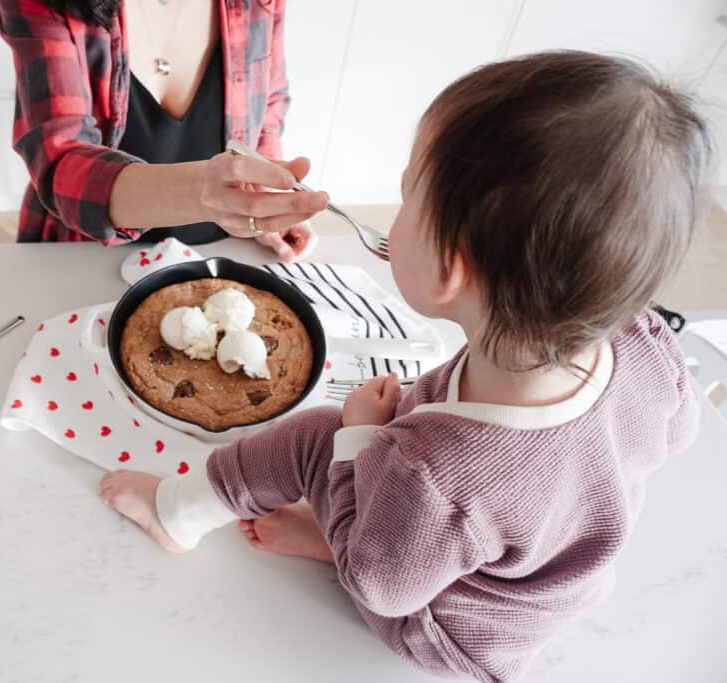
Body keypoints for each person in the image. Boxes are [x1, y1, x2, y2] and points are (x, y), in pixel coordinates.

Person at [98, 51, 711, 681]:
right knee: (387, 513)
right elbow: (675, 429)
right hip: (515, 588)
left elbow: (383, 585)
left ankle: (177, 512)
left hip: (444, 626)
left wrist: (360, 438)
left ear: (450, 271)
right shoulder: (639, 342)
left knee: (316, 437)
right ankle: (352, 532)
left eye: (406, 195)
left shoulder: (438, 473)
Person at [0, 0, 326, 260]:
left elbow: (269, 100)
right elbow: (61, 160)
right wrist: (202, 192)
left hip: (222, 251)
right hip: (84, 251)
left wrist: (266, 198)